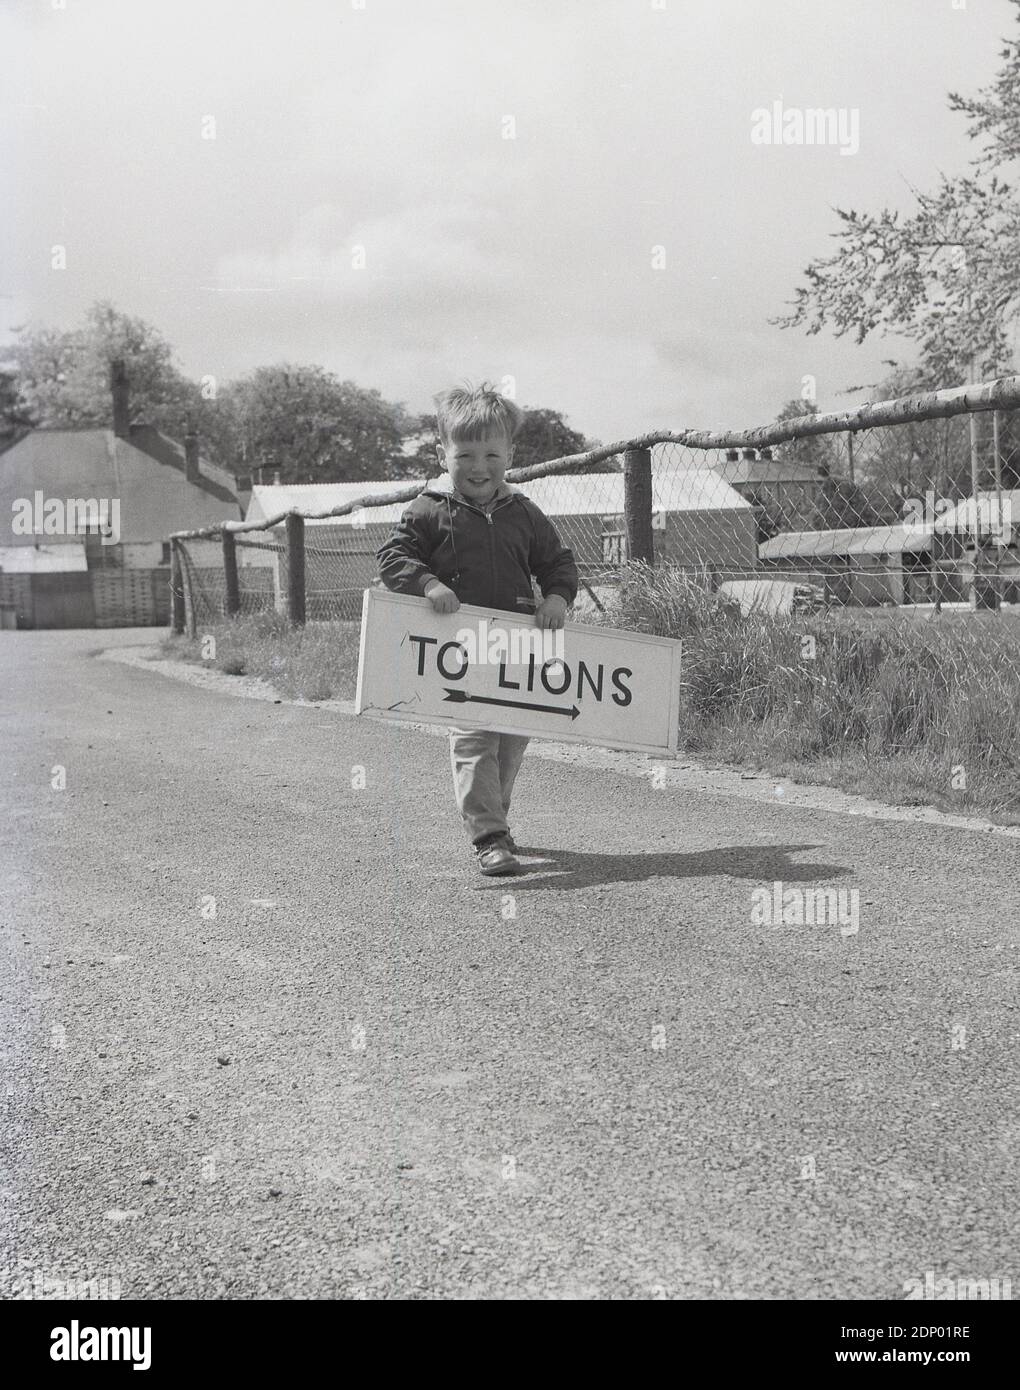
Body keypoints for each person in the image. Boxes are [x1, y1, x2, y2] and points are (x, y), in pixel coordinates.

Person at [376, 382, 579, 875]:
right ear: (441, 452)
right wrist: (426, 583)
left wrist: (555, 597)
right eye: (464, 454)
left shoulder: (524, 513)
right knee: (474, 738)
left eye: (491, 453)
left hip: (515, 649)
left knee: (511, 739)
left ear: (510, 452)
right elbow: (392, 557)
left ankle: (497, 823)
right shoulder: (427, 510)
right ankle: (488, 835)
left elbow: (557, 563)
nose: (479, 467)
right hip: (460, 650)